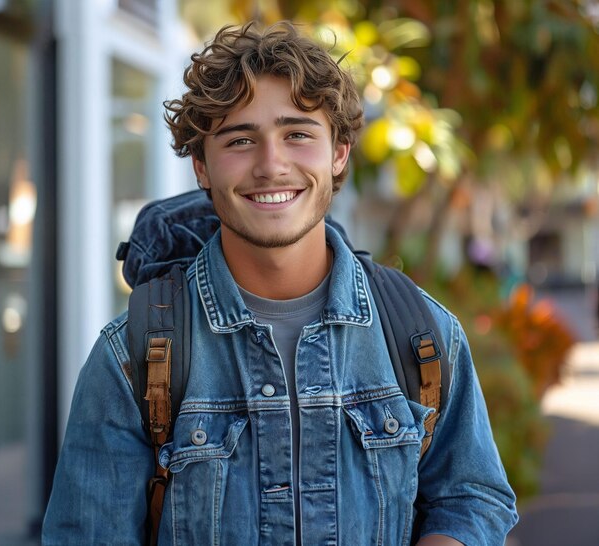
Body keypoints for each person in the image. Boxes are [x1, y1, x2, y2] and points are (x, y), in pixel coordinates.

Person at [43, 21, 518, 545]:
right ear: (202, 166)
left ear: (338, 153)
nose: (271, 165)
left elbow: (471, 498)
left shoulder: (422, 332)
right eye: (240, 139)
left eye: (297, 134)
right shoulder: (131, 357)